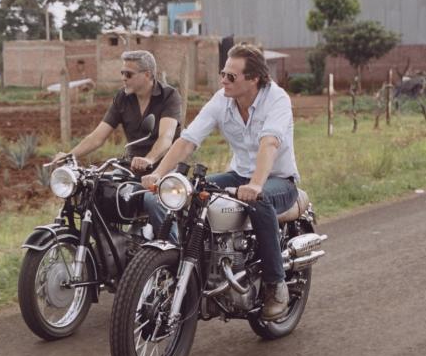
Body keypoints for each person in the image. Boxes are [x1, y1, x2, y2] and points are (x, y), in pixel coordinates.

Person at [142, 43, 300, 320]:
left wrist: (256, 185)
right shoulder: (221, 100)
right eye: (222, 74)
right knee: (186, 193)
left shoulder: (277, 99)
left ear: (254, 79)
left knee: (258, 202)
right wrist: (159, 175)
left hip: (277, 180)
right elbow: (187, 141)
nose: (223, 80)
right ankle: (192, 262)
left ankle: (276, 286)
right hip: (238, 174)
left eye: (231, 76)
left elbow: (269, 143)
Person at [52, 50, 183, 232]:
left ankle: (174, 252)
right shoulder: (122, 98)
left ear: (147, 74)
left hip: (164, 169)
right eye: (122, 73)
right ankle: (109, 252)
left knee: (153, 201)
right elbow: (97, 137)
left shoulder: (169, 96)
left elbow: (166, 137)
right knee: (96, 192)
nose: (123, 78)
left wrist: (149, 159)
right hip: (131, 170)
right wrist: (69, 155)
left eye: (128, 74)